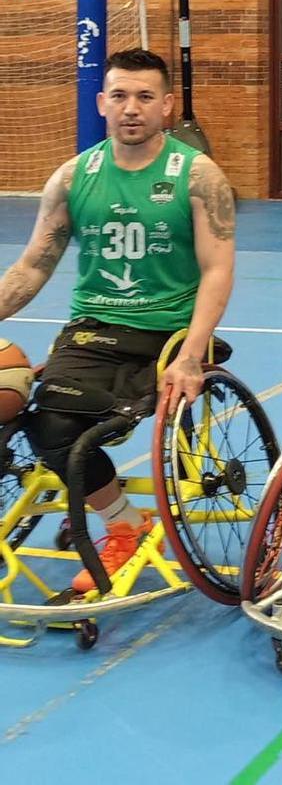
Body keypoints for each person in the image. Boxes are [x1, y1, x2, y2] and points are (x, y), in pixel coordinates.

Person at [0, 48, 236, 594]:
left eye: (146, 97)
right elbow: (33, 266)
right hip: (90, 333)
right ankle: (116, 510)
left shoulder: (197, 176)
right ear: (102, 102)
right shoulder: (72, 177)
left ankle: (121, 523)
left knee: (69, 430)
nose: (132, 108)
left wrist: (191, 353)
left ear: (167, 106)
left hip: (164, 337)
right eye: (121, 96)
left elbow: (217, 270)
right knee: (41, 423)